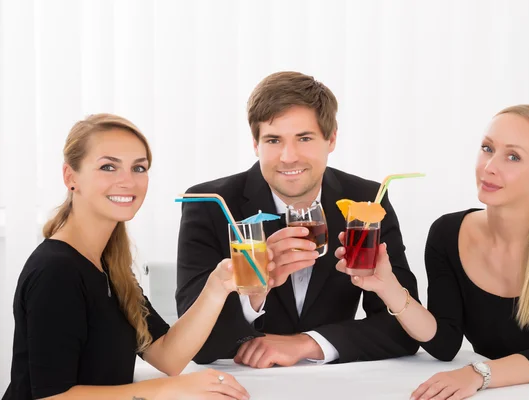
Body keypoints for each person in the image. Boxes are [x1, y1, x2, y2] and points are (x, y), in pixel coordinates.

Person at [334, 105, 529, 400]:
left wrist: (476, 374)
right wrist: (388, 288)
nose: (490, 166)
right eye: (488, 148)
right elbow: (445, 341)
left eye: (513, 156)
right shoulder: (448, 233)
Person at [176, 71, 420, 368]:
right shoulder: (209, 204)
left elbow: (404, 328)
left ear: (331, 139)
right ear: (256, 144)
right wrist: (255, 292)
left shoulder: (367, 200)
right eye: (274, 140)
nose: (288, 157)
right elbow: (195, 347)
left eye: (304, 138)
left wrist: (309, 343)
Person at [3, 114, 254, 400]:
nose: (128, 181)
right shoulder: (57, 271)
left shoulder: (108, 265)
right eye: (108, 167)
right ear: (70, 177)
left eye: (139, 168)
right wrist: (170, 390)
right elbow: (52, 397)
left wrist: (217, 287)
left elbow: (167, 355)